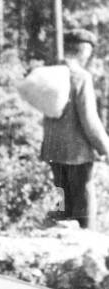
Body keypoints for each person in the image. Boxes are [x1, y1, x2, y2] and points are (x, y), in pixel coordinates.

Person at [40, 27, 109, 229]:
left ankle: (57, 236)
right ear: (84, 51)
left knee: (62, 196)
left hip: (52, 150)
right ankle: (88, 243)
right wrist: (105, 148)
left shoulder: (51, 72)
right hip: (77, 153)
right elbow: (90, 120)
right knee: (84, 199)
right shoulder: (80, 76)